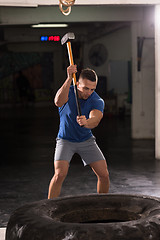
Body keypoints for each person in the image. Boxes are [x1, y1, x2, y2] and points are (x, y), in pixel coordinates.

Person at [48, 65, 110, 199]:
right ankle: (48, 208)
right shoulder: (68, 92)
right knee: (59, 174)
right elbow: (58, 102)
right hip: (65, 140)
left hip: (86, 140)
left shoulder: (97, 100)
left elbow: (96, 118)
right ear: (77, 83)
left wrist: (87, 122)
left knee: (104, 175)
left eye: (92, 89)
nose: (89, 92)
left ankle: (102, 205)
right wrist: (69, 77)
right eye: (86, 88)